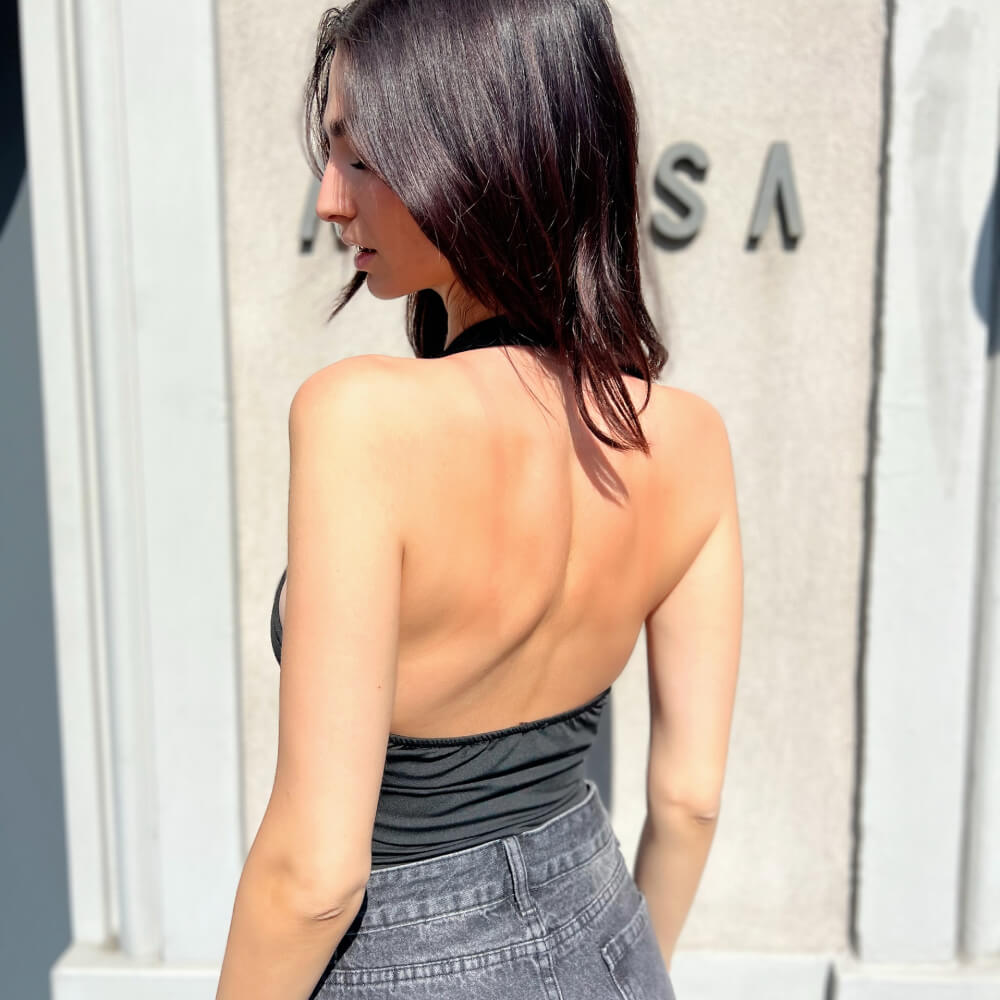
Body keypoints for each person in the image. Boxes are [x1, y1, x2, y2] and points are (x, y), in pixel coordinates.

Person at [215, 1, 743, 998]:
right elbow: (689, 800)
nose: (330, 200)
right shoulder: (690, 440)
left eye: (360, 156)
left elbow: (316, 877)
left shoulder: (360, 418)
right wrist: (626, 969)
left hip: (401, 955)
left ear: (475, 152)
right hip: (607, 934)